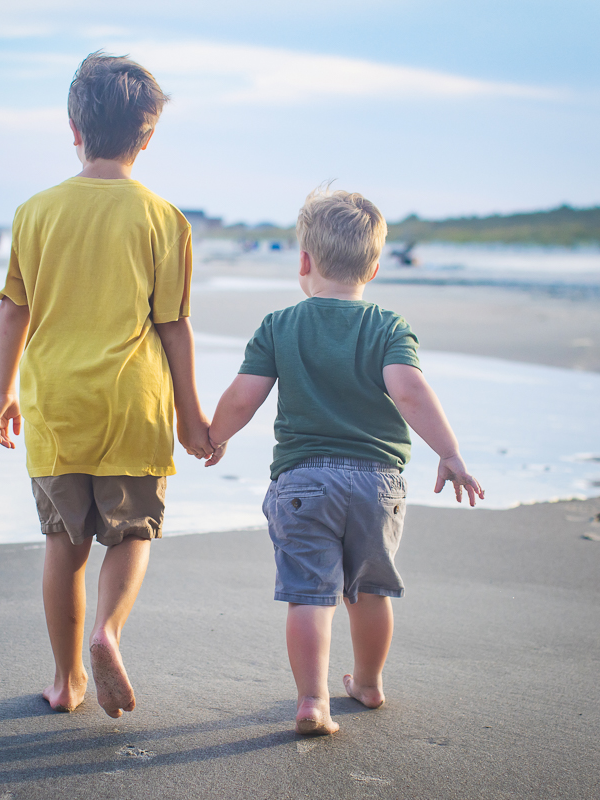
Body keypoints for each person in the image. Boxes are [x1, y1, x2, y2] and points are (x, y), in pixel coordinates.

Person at [205, 188, 484, 735]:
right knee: (371, 589)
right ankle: (369, 682)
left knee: (311, 593)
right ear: (374, 267)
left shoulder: (279, 325)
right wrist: (449, 453)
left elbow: (244, 396)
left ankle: (313, 701)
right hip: (377, 483)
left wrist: (214, 436)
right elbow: (409, 391)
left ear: (304, 262)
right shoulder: (387, 326)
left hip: (304, 480)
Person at [0, 52, 212, 718]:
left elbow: (12, 309)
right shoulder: (164, 218)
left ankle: (66, 681)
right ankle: (106, 633)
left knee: (65, 543)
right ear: (147, 137)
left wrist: (3, 391)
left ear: (73, 128)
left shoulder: (35, 212)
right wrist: (191, 418)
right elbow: (174, 327)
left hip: (56, 402)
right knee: (133, 532)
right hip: (133, 402)